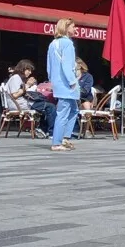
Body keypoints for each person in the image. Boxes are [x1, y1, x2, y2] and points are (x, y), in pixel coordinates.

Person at [46, 18, 80, 152]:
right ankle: (57, 142)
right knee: (64, 112)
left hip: (57, 82)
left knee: (73, 109)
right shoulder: (68, 44)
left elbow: (49, 65)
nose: (75, 29)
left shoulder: (53, 43)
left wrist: (52, 80)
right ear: (66, 28)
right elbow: (67, 65)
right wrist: (72, 81)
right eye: (73, 27)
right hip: (67, 83)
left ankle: (64, 137)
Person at [3, 59, 52, 138]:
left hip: (22, 103)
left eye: (31, 70)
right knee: (50, 107)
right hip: (20, 104)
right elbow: (15, 95)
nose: (30, 72)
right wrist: (28, 85)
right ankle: (51, 132)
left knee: (46, 104)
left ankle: (42, 129)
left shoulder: (18, 78)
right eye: (28, 69)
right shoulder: (16, 78)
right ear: (22, 68)